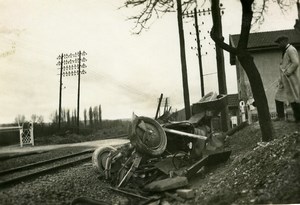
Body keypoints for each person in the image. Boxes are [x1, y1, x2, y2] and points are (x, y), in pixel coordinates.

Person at [274, 35, 300, 123]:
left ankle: (298, 118)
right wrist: (280, 79)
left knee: (294, 98)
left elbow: (296, 62)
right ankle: (280, 116)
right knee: (278, 96)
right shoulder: (285, 51)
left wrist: (288, 72)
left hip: (291, 79)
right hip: (285, 80)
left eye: (279, 43)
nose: (278, 45)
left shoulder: (291, 50)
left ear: (284, 41)